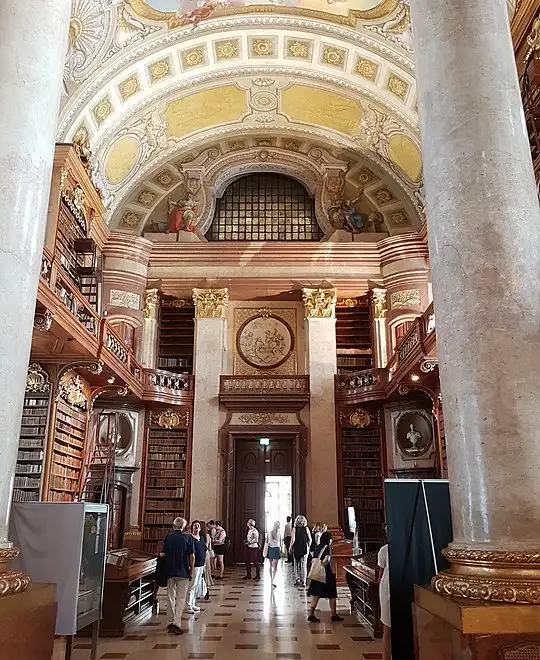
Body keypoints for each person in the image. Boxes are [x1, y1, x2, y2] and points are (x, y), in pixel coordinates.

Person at [160, 517, 195, 635]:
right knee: (181, 598)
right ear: (183, 526)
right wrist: (191, 570)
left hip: (170, 571)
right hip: (183, 571)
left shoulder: (169, 537)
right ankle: (176, 622)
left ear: (173, 525)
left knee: (170, 596)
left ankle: (169, 621)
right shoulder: (187, 537)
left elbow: (163, 554)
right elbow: (192, 556)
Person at [307, 530, 344, 623]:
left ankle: (311, 614)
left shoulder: (318, 547)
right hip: (326, 573)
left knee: (316, 594)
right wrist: (323, 564)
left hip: (317, 575)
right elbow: (326, 559)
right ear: (329, 540)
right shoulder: (327, 548)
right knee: (332, 595)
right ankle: (334, 614)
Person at [184, 521, 206, 614]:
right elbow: (190, 554)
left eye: (198, 526)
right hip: (194, 565)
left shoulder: (201, 538)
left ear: (200, 528)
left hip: (201, 565)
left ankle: (193, 603)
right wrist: (191, 568)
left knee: (196, 585)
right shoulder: (190, 538)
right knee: (191, 586)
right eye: (195, 526)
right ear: (192, 528)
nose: (196, 528)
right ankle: (188, 605)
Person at [378, 525, 391, 660]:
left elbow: (380, 574)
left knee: (387, 630)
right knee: (388, 629)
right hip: (387, 589)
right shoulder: (384, 551)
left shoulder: (384, 550)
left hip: (386, 588)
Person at [289, 515, 311, 587]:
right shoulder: (306, 529)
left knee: (296, 564)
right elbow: (310, 539)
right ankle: (304, 581)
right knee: (304, 565)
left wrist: (290, 547)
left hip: (297, 547)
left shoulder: (294, 529)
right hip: (305, 547)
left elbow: (293, 540)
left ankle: (298, 579)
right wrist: (308, 546)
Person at [266, 521, 282, 587]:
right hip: (276, 549)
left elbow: (267, 541)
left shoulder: (269, 532)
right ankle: (273, 580)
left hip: (270, 549)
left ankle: (271, 579)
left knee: (270, 565)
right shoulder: (278, 533)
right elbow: (280, 543)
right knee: (275, 567)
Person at [200, 521, 213, 601]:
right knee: (206, 572)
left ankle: (204, 589)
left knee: (202, 572)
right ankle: (206, 589)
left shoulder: (201, 536)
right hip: (206, 554)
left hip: (202, 554)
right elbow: (209, 546)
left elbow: (206, 546)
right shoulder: (207, 535)